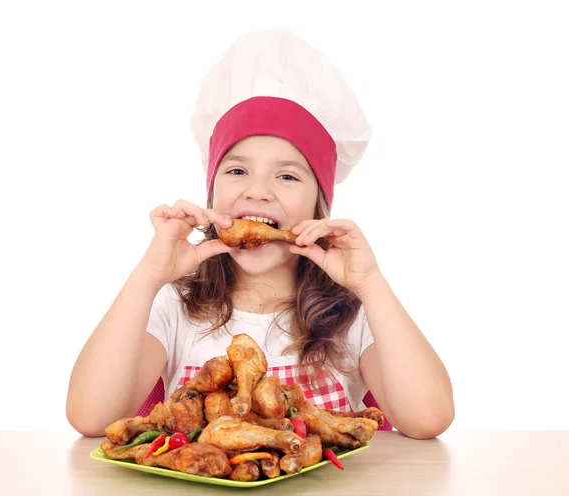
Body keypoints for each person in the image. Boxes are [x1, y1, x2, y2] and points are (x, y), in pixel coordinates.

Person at [66, 29, 454, 439]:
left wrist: (371, 284)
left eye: (287, 175)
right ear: (212, 194)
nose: (258, 190)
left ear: (318, 208)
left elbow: (428, 419)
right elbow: (91, 417)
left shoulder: (351, 313)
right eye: (237, 170)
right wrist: (148, 276)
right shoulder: (176, 306)